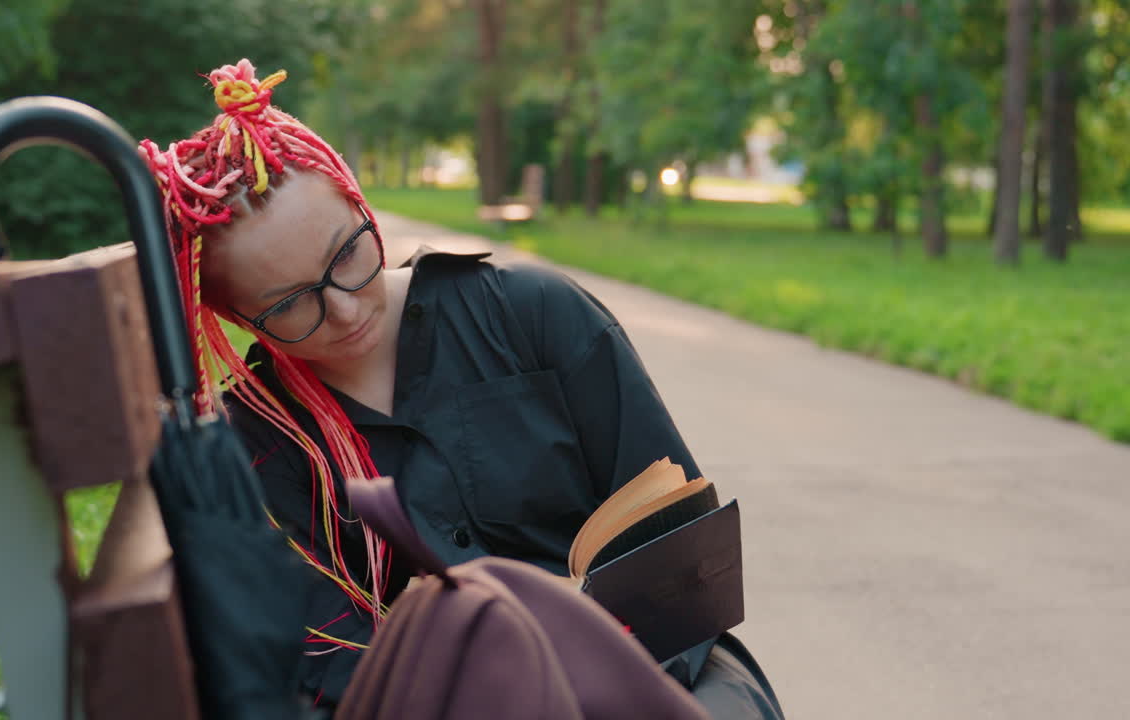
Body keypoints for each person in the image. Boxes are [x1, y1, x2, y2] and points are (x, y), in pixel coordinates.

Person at [139, 59, 783, 718]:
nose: (345, 311)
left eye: (347, 258)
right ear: (238, 319)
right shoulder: (260, 439)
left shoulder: (534, 315)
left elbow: (678, 549)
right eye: (292, 305)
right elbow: (328, 656)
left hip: (656, 663)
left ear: (359, 204)